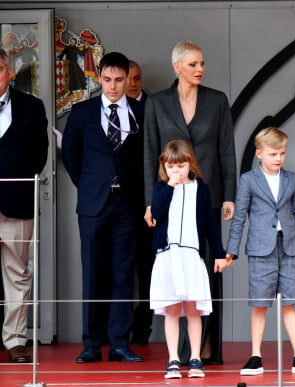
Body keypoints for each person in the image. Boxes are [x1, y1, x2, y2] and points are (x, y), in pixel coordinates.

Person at [143, 41, 236, 365]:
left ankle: (205, 350)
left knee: (207, 274)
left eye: (202, 63)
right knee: (174, 275)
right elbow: (149, 153)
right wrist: (149, 202)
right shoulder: (157, 103)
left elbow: (226, 150)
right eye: (194, 64)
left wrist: (229, 196)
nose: (201, 69)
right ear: (177, 66)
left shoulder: (217, 100)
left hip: (205, 198)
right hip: (169, 202)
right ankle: (177, 353)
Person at [62, 51, 144, 363]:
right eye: (107, 80)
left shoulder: (141, 111)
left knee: (123, 274)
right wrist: (88, 185)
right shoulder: (82, 112)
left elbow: (146, 157)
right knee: (93, 273)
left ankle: (120, 343)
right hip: (93, 204)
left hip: (128, 204)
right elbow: (70, 154)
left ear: (128, 78)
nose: (112, 86)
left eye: (119, 80)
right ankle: (91, 344)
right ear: (99, 78)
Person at [226, 127, 295, 376]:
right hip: (260, 249)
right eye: (273, 153)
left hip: (288, 247)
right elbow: (239, 219)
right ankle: (255, 356)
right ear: (259, 154)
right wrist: (231, 251)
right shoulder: (248, 180)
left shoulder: (290, 179)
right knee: (259, 304)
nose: (278, 158)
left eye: (282, 153)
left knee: (290, 303)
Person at [150, 140, 232, 379]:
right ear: (164, 167)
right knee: (172, 310)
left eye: (181, 165)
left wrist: (218, 253)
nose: (176, 171)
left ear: (190, 165)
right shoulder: (161, 188)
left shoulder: (201, 190)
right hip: (168, 255)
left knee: (194, 309)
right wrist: (169, 187)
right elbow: (157, 212)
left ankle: (195, 358)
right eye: (171, 166)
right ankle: (173, 359)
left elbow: (209, 225)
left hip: (191, 254)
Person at [0, 48, 48, 363]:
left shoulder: (31, 106)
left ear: (9, 72)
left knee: (18, 274)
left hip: (16, 203)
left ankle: (16, 340)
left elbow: (40, 154)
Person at [126, 59, 153, 346]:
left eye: (137, 77)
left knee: (147, 268)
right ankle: (116, 328)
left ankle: (142, 328)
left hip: (148, 202)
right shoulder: (105, 110)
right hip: (117, 203)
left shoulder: (154, 107)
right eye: (128, 78)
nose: (132, 83)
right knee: (118, 269)